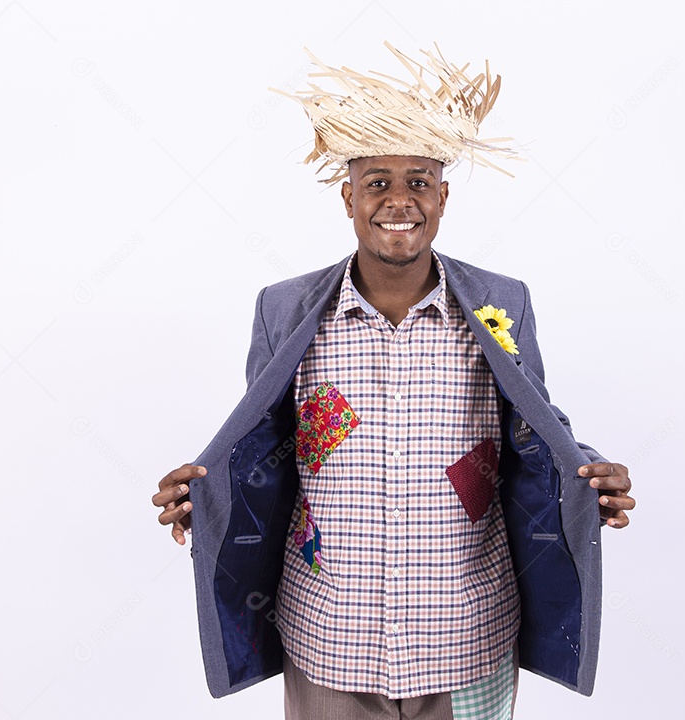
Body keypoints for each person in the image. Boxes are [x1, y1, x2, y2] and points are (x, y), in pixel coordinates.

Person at [152, 43, 635, 720]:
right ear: (348, 195)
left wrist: (585, 476)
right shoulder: (285, 309)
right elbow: (258, 445)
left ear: (443, 194)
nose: (399, 201)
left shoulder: (504, 304)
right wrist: (208, 492)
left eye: (419, 180)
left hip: (468, 641)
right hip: (328, 641)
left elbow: (537, 429)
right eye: (378, 181)